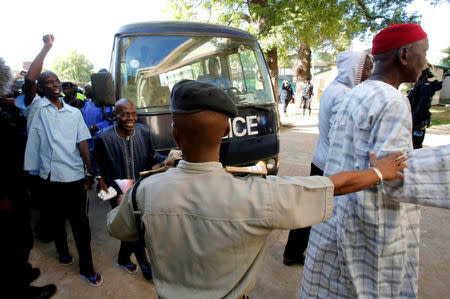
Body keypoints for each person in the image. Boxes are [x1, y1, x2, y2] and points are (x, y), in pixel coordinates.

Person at [107, 79, 408, 298]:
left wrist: (125, 197)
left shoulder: (144, 192)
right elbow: (333, 186)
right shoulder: (259, 195)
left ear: (175, 132)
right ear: (227, 131)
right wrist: (380, 171)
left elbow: (118, 229)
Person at [300, 23, 450, 298]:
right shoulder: (392, 100)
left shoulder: (357, 93)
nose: (425, 62)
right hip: (369, 227)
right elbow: (394, 176)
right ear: (404, 55)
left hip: (339, 215)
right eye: (423, 52)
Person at [23, 34, 103, 287]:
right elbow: (29, 79)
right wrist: (46, 47)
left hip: (74, 176)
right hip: (47, 178)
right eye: (48, 82)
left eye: (56, 80)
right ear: (41, 87)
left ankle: (87, 267)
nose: (54, 84)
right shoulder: (35, 107)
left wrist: (90, 169)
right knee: (55, 219)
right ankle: (62, 252)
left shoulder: (73, 112)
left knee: (81, 225)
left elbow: (82, 142)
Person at [282, 51, 375, 266]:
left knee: (309, 208)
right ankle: (295, 253)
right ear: (356, 70)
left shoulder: (336, 88)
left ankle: (293, 251)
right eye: (365, 71)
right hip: (330, 164)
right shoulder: (343, 93)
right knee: (314, 210)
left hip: (322, 159)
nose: (368, 75)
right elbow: (338, 134)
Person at [0, 58, 57, 299]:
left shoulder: (7, 106)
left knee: (22, 236)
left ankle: (21, 273)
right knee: (11, 239)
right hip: (6, 189)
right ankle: (19, 290)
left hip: (18, 182)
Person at [92, 98, 167, 280]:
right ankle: (146, 267)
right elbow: (96, 164)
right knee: (131, 226)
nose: (131, 118)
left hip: (139, 187)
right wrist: (100, 181)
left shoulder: (143, 131)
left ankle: (123, 258)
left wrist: (168, 159)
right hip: (115, 189)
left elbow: (151, 156)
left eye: (133, 114)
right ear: (115, 115)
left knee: (134, 225)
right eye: (125, 114)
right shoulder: (102, 137)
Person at [408, 66, 442, 148]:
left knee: (415, 145)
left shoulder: (425, 86)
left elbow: (423, 104)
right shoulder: (418, 85)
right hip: (412, 118)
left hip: (418, 121)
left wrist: (417, 121)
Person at [80, 82, 113, 150]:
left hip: (101, 139)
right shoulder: (87, 104)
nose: (84, 92)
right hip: (88, 139)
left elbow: (109, 120)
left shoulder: (104, 104)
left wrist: (96, 127)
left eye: (86, 90)